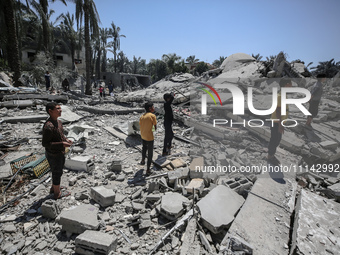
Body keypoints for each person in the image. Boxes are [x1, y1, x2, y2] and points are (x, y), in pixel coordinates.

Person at [42, 102, 72, 199]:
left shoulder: (58, 122)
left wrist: (66, 139)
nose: (60, 110)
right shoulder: (48, 126)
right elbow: (45, 144)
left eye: (60, 108)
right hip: (53, 154)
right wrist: (62, 144)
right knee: (57, 172)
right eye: (57, 109)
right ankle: (57, 193)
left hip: (60, 152)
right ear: (50, 111)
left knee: (57, 171)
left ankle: (54, 188)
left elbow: (60, 135)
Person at [267, 78, 292, 165]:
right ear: (286, 84)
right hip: (276, 122)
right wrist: (281, 125)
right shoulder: (281, 96)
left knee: (277, 140)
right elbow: (278, 111)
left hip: (279, 122)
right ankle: (270, 157)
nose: (291, 85)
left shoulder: (283, 95)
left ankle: (271, 155)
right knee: (274, 140)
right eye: (290, 84)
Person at [139, 101, 157, 175]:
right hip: (149, 137)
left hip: (143, 135)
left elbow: (141, 125)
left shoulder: (142, 116)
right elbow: (155, 127)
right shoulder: (152, 116)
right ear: (150, 108)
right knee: (150, 153)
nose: (154, 108)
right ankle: (148, 169)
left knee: (144, 148)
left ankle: (143, 160)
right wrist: (151, 130)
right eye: (153, 107)